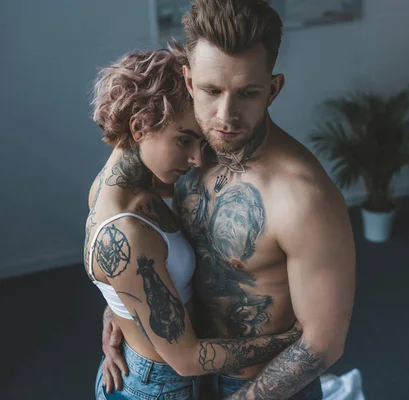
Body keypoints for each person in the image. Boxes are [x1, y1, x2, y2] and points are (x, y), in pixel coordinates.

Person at [103, 0, 357, 398]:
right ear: (188, 82)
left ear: (273, 89)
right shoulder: (186, 153)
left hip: (261, 385)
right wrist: (123, 308)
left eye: (247, 93)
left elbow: (322, 344)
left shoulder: (304, 198)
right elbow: (139, 230)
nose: (226, 115)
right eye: (211, 90)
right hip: (187, 371)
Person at [86, 42, 303, 400]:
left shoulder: (126, 186)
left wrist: (117, 309)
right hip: (160, 387)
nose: (196, 159)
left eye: (200, 144)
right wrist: (288, 341)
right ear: (140, 126)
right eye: (184, 141)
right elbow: (187, 359)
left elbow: (119, 277)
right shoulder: (126, 231)